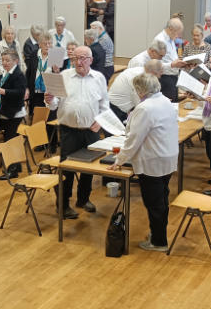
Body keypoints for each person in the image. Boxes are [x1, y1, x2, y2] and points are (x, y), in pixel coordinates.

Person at [109, 73, 179, 252]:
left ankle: (159, 241)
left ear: (140, 90)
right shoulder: (165, 101)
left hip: (152, 161)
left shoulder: (145, 108)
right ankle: (157, 234)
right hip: (167, 157)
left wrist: (119, 160)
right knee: (162, 199)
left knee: (154, 203)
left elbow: (134, 139)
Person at [45, 46, 109, 219]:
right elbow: (54, 104)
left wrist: (100, 122)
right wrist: (49, 100)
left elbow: (105, 106)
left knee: (88, 168)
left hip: (91, 131)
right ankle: (63, 205)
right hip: (68, 130)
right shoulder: (64, 76)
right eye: (76, 58)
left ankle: (83, 199)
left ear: (91, 60)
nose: (79, 62)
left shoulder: (99, 78)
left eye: (83, 58)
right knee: (67, 170)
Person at [0, 49, 28, 179]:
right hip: (7, 110)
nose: (5, 63)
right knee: (10, 139)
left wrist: (4, 91)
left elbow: (20, 92)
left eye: (8, 60)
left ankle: (12, 170)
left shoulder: (18, 74)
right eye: (3, 60)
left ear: (16, 61)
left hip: (15, 112)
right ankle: (15, 166)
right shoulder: (5, 73)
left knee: (10, 140)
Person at [155, 18, 187, 101]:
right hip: (164, 79)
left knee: (175, 105)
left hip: (173, 77)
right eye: (178, 33)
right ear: (170, 29)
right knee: (168, 107)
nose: (179, 36)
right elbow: (155, 65)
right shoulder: (160, 40)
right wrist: (173, 64)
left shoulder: (171, 38)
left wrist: (182, 63)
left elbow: (171, 57)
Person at [31, 32, 56, 108]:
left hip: (49, 92)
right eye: (45, 44)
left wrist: (56, 70)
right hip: (35, 90)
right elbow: (29, 73)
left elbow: (58, 75)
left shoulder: (55, 56)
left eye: (50, 43)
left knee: (48, 115)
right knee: (36, 115)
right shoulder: (34, 54)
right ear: (40, 45)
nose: (48, 46)